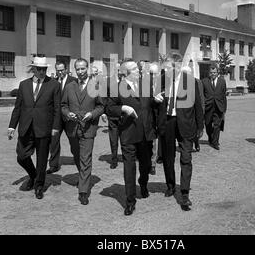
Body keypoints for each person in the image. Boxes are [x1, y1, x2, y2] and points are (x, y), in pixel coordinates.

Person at [107, 59, 156, 216]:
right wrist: (123, 108)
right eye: (135, 69)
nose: (138, 70)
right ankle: (130, 201)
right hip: (128, 133)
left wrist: (156, 100)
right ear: (126, 73)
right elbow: (109, 108)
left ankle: (143, 182)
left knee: (146, 164)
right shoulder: (117, 87)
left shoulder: (146, 84)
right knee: (129, 168)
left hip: (146, 133)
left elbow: (150, 105)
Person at [155, 53, 204, 211]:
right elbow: (152, 101)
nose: (166, 70)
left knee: (186, 158)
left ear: (176, 66)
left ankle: (184, 194)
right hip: (167, 122)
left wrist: (200, 127)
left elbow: (198, 105)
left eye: (168, 67)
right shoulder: (161, 80)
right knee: (168, 157)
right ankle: (170, 186)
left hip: (186, 123)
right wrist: (155, 98)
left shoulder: (190, 82)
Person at [7, 56, 61, 200]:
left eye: (44, 69)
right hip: (26, 127)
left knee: (42, 160)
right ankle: (33, 175)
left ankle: (39, 186)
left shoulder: (54, 85)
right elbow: (18, 107)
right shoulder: (23, 85)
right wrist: (12, 126)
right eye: (39, 69)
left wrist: (56, 127)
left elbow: (57, 109)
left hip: (44, 128)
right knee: (21, 156)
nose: (42, 72)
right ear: (33, 69)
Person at [61, 58, 104, 205]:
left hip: (88, 128)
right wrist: (67, 114)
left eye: (83, 69)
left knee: (85, 159)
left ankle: (83, 191)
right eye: (78, 69)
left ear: (88, 69)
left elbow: (101, 107)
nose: (80, 72)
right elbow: (63, 106)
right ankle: (83, 177)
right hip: (72, 129)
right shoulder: (69, 87)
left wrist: (92, 114)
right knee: (77, 155)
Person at [47, 61, 77, 174]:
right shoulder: (53, 82)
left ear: (66, 69)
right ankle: (53, 165)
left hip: (69, 117)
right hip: (56, 119)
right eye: (58, 70)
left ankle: (78, 159)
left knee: (74, 141)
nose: (60, 72)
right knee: (53, 141)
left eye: (62, 70)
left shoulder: (74, 80)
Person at [201, 64, 227, 150]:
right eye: (211, 72)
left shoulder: (222, 81)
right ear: (209, 73)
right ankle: (210, 137)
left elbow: (223, 95)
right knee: (208, 124)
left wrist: (224, 108)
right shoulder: (204, 81)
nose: (213, 74)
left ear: (217, 72)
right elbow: (202, 95)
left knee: (217, 125)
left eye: (214, 72)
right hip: (208, 107)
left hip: (219, 107)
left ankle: (215, 142)